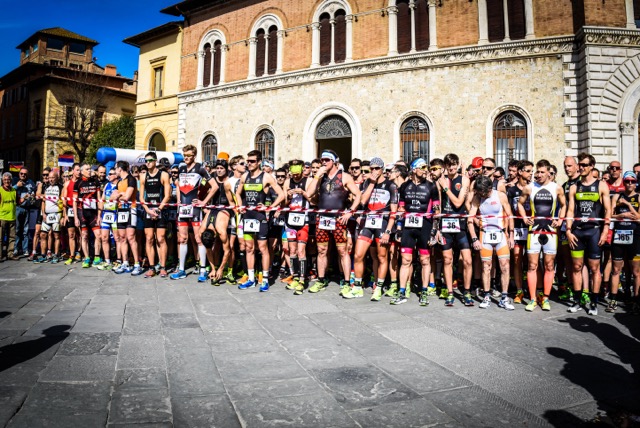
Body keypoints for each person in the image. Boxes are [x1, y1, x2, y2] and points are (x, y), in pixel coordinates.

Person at [306, 150, 361, 293]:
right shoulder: (321, 177)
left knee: (342, 250)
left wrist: (351, 211)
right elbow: (309, 193)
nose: (324, 162)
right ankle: (321, 280)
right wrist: (317, 175)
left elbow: (358, 194)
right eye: (322, 160)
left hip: (338, 219)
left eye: (327, 160)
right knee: (321, 250)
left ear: (334, 161)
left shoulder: (344, 176)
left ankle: (347, 281)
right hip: (323, 218)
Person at [565, 153, 612, 315]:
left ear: (592, 166)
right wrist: (568, 231)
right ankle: (577, 301)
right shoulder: (574, 186)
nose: (581, 167)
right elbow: (570, 210)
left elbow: (608, 210)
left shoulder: (601, 185)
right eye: (580, 164)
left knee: (594, 268)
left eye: (585, 165)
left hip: (594, 231)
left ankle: (594, 302)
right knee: (577, 266)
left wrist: (605, 230)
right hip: (578, 231)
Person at [518, 159, 566, 312]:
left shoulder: (556, 188)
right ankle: (532, 299)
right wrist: (525, 218)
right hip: (534, 231)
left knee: (549, 265)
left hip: (551, 232)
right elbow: (520, 203)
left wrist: (560, 219)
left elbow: (564, 205)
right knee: (532, 265)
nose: (537, 174)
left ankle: (545, 298)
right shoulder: (529, 188)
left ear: (548, 173)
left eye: (541, 172)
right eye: (536, 172)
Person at [347, 157, 398, 300]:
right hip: (369, 222)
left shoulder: (391, 185)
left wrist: (388, 231)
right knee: (358, 255)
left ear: (382, 169)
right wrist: (371, 183)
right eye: (372, 169)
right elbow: (362, 201)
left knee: (382, 256)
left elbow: (394, 211)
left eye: (377, 168)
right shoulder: (367, 183)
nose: (374, 171)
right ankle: (357, 287)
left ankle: (379, 287)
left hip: (383, 223)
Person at [392, 157, 440, 305]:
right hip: (408, 227)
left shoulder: (431, 187)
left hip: (425, 226)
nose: (426, 171)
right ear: (414, 169)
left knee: (425, 260)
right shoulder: (404, 186)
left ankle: (424, 291)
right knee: (405, 260)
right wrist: (399, 229)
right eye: (423, 167)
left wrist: (434, 231)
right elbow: (401, 209)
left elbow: (437, 211)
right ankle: (401, 291)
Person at [236, 150, 285, 291]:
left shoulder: (266, 177)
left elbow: (281, 195)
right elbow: (238, 193)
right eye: (248, 161)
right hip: (248, 216)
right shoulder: (245, 176)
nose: (249, 163)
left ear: (258, 162)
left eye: (252, 161)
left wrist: (270, 208)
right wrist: (240, 206)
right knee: (249, 248)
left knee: (263, 249)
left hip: (260, 217)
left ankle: (264, 279)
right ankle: (251, 278)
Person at [467, 175, 515, 310]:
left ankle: (504, 298)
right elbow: (470, 220)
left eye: (484, 192)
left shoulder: (500, 195)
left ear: (489, 188)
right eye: (480, 192)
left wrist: (511, 235)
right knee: (486, 266)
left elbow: (510, 215)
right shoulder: (477, 198)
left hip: (500, 234)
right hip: (485, 234)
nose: (482, 195)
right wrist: (474, 238)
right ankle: (486, 296)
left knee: (505, 265)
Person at [171, 145, 218, 281]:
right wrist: (179, 200)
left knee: (199, 239)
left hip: (195, 208)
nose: (186, 158)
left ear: (194, 156)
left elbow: (214, 186)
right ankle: (181, 269)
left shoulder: (200, 168)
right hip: (183, 208)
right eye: (184, 155)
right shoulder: (181, 168)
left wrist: (204, 202)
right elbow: (179, 186)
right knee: (182, 238)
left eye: (189, 155)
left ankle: (203, 270)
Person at [437, 153, 473, 306]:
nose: (451, 168)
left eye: (454, 165)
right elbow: (438, 205)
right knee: (447, 259)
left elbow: (459, 203)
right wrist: (437, 228)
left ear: (458, 165)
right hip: (445, 223)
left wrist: (446, 189)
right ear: (445, 166)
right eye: (448, 165)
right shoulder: (440, 181)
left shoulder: (464, 179)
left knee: (467, 260)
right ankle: (450, 292)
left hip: (460, 223)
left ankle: (466, 292)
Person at [607, 171, 640, 314]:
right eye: (627, 181)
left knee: (636, 272)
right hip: (619, 237)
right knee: (616, 270)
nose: (630, 184)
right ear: (624, 182)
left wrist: (628, 205)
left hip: (635, 237)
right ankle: (613, 300)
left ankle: (636, 301)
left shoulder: (639, 196)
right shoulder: (616, 196)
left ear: (636, 182)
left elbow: (639, 218)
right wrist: (620, 215)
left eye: (633, 181)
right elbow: (609, 215)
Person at [282, 159, 314, 295]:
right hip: (290, 220)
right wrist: (288, 197)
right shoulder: (287, 182)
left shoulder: (309, 181)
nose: (295, 176)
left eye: (297, 174)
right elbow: (284, 203)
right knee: (292, 250)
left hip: (303, 220)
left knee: (301, 251)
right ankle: (294, 276)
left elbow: (314, 201)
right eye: (293, 174)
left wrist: (304, 193)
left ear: (302, 170)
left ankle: (302, 280)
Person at [140, 152, 172, 278]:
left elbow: (167, 195)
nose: (148, 162)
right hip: (148, 210)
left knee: (161, 238)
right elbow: (141, 197)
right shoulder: (143, 176)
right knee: (149, 238)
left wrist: (158, 209)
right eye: (146, 160)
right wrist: (148, 210)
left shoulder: (163, 174)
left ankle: (163, 267)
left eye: (150, 160)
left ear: (155, 161)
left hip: (161, 209)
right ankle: (152, 267)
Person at [507, 160, 533, 304]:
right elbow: (509, 212)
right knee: (517, 259)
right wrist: (509, 232)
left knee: (531, 261)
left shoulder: (533, 188)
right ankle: (519, 290)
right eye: (528, 171)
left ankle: (533, 289)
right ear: (520, 172)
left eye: (532, 171)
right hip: (517, 228)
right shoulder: (511, 191)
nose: (531, 174)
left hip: (531, 228)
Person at [113, 161, 143, 276]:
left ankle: (136, 264)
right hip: (120, 211)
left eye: (116, 169)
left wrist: (119, 195)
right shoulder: (119, 181)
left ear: (120, 169)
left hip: (131, 209)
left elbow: (127, 196)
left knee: (131, 237)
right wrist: (119, 195)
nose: (115, 171)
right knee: (122, 238)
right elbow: (111, 197)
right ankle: (125, 263)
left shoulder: (131, 179)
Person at [73, 162, 102, 268]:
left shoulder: (96, 182)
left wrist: (99, 215)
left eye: (90, 169)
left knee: (98, 235)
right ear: (81, 172)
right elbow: (75, 202)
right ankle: (87, 258)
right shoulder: (78, 183)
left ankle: (97, 256)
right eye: (87, 169)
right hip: (82, 213)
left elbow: (99, 199)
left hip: (93, 213)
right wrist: (76, 217)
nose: (90, 171)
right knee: (84, 236)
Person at [39, 169, 64, 263]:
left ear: (57, 178)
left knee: (56, 235)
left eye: (53, 177)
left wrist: (63, 216)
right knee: (43, 234)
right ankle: (43, 255)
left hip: (57, 214)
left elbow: (63, 202)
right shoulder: (46, 187)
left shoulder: (60, 187)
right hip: (47, 214)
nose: (51, 179)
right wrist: (43, 213)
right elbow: (43, 201)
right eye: (49, 178)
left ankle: (56, 255)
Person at [97, 168, 119, 271]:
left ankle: (119, 260)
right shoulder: (107, 185)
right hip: (106, 214)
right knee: (104, 237)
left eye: (110, 174)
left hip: (115, 214)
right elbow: (101, 200)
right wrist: (99, 215)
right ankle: (107, 261)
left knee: (117, 238)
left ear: (116, 175)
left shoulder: (119, 184)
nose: (108, 176)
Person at [14, 168, 36, 258]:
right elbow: (9, 190)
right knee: (17, 230)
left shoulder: (30, 182)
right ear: (19, 174)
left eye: (25, 174)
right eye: (21, 173)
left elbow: (34, 193)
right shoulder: (15, 181)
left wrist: (32, 196)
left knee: (25, 230)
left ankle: (25, 249)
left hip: (27, 208)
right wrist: (17, 186)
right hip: (17, 208)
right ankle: (16, 248)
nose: (23, 175)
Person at [61, 163, 81, 264]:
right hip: (70, 210)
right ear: (72, 171)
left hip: (80, 209)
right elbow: (64, 200)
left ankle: (79, 252)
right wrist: (65, 215)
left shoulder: (82, 182)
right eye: (77, 170)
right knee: (71, 234)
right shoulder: (67, 183)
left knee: (81, 234)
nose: (79, 172)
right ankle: (72, 255)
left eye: (80, 170)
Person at [0, 172, 18, 261]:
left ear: (11, 181)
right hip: (2, 218)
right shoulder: (0, 190)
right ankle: (0, 255)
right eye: (5, 180)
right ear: (2, 181)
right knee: (0, 238)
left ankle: (10, 254)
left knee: (12, 238)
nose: (7, 181)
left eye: (8, 180)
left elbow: (18, 201)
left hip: (12, 217)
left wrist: (26, 197)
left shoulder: (14, 191)